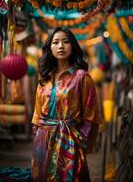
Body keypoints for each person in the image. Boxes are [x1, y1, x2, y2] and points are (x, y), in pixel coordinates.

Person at [31, 27, 100, 182]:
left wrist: (81, 140)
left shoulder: (81, 77)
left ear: (73, 46)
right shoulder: (45, 78)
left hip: (70, 140)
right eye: (55, 42)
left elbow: (92, 113)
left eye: (65, 42)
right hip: (44, 140)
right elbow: (37, 113)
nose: (60, 46)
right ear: (50, 47)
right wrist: (37, 136)